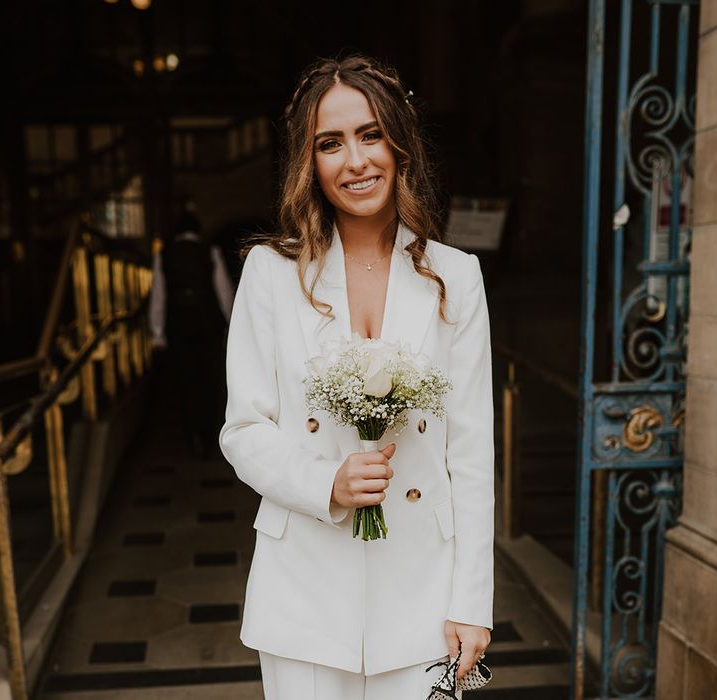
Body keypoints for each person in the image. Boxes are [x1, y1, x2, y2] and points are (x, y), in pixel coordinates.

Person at [219, 54, 494, 700]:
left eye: (371, 135)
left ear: (400, 145)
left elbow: (472, 450)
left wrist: (472, 600)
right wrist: (328, 482)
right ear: (309, 164)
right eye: (330, 144)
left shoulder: (457, 277)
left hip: (426, 593)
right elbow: (244, 429)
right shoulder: (269, 273)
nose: (356, 160)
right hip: (305, 590)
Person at [149, 201, 235, 458]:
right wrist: (233, 322)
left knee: (186, 380)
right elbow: (223, 290)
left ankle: (193, 435)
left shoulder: (164, 253)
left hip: (178, 322)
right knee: (210, 378)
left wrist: (157, 332)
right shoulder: (210, 250)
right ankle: (210, 435)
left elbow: (158, 295)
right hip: (208, 321)